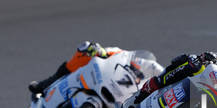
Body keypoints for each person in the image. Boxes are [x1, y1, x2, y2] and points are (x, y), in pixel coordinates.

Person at [29, 41, 164, 94]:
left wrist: (166, 78)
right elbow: (154, 66)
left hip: (121, 96)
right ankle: (50, 82)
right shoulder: (128, 57)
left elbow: (158, 70)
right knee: (85, 49)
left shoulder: (146, 82)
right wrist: (100, 52)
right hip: (103, 76)